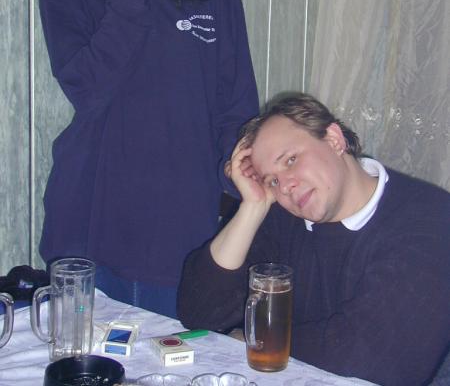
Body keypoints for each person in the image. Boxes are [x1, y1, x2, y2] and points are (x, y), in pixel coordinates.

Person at [38, 0, 259, 318]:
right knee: (87, 353)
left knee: (175, 353)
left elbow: (236, 99)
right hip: (93, 216)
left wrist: (237, 174)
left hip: (182, 219)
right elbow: (87, 90)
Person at [177, 93, 450, 385]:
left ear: (334, 139)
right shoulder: (282, 215)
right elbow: (200, 312)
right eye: (272, 180)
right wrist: (252, 208)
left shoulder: (431, 219)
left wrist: (252, 339)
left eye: (291, 160)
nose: (286, 186)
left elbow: (369, 357)